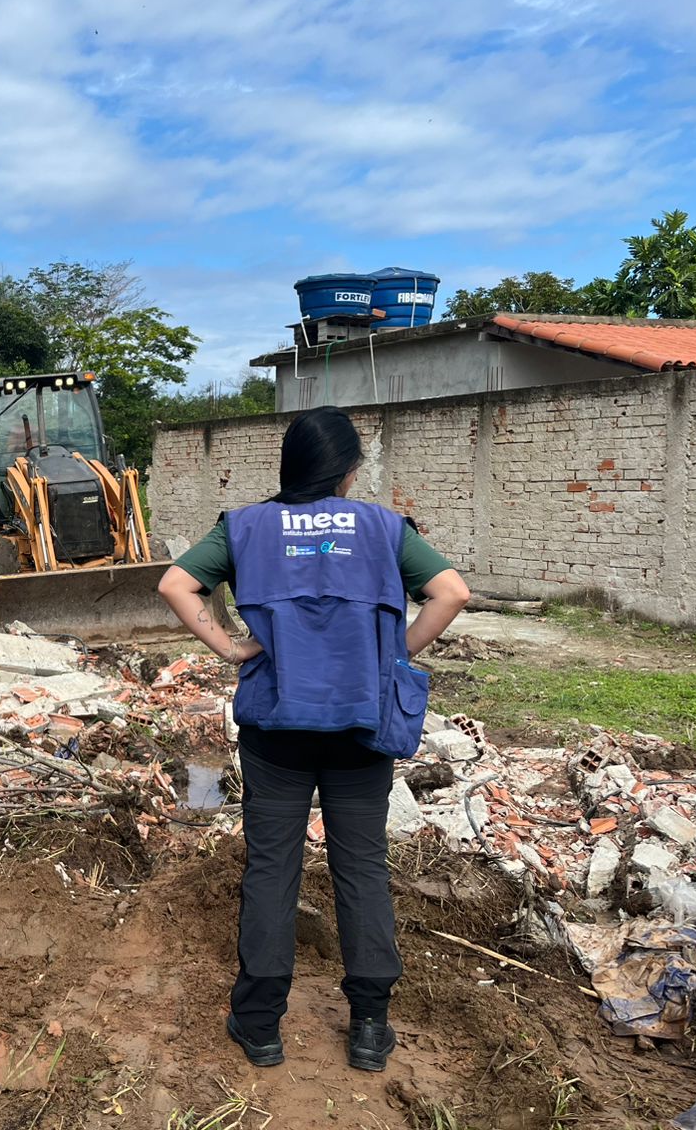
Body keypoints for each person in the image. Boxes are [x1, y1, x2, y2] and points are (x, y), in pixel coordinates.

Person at [157, 407, 470, 1073]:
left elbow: (175, 583)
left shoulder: (243, 526)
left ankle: (260, 1025)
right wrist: (392, 656)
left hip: (277, 728)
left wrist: (230, 647)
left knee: (273, 867)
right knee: (362, 867)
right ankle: (369, 1028)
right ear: (348, 470)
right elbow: (451, 593)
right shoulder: (385, 527)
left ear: (290, 464)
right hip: (361, 727)